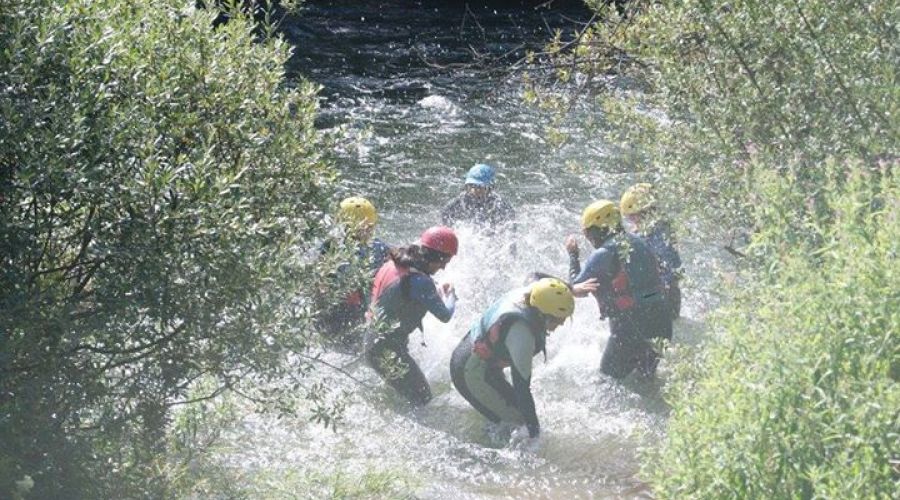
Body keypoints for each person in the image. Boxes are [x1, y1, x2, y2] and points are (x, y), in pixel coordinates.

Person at [450, 278, 575, 451]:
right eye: (558, 319)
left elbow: (536, 275)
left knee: (516, 417)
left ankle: (493, 431)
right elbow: (522, 389)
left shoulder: (533, 293)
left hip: (479, 362)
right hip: (470, 374)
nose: (561, 323)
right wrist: (535, 434)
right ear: (542, 315)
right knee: (517, 422)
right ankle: (487, 459)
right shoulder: (522, 336)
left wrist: (571, 289)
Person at [566, 200, 672, 379]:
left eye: (587, 233)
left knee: (608, 382)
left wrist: (573, 255)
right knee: (645, 380)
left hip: (630, 328)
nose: (589, 239)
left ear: (596, 230)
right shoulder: (640, 241)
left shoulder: (605, 253)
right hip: (662, 323)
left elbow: (577, 288)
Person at [364, 226, 459, 406]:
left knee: (403, 398)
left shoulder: (394, 263)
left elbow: (405, 288)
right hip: (387, 351)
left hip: (372, 344)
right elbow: (445, 315)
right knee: (423, 400)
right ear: (435, 256)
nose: (444, 267)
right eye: (444, 262)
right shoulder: (421, 282)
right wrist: (451, 295)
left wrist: (434, 288)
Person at [315, 197, 390, 342]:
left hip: (347, 308)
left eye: (371, 227)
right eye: (368, 227)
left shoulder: (329, 245)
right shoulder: (377, 247)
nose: (370, 230)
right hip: (348, 308)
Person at [620, 183, 683, 320]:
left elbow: (667, 267)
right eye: (628, 217)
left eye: (633, 217)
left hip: (661, 296)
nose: (631, 221)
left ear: (646, 212)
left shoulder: (655, 236)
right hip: (668, 293)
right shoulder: (662, 227)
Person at [441, 163, 514, 228]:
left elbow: (510, 228)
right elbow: (445, 221)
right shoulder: (457, 203)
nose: (474, 190)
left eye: (479, 187)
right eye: (471, 185)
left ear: (490, 188)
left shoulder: (500, 205)